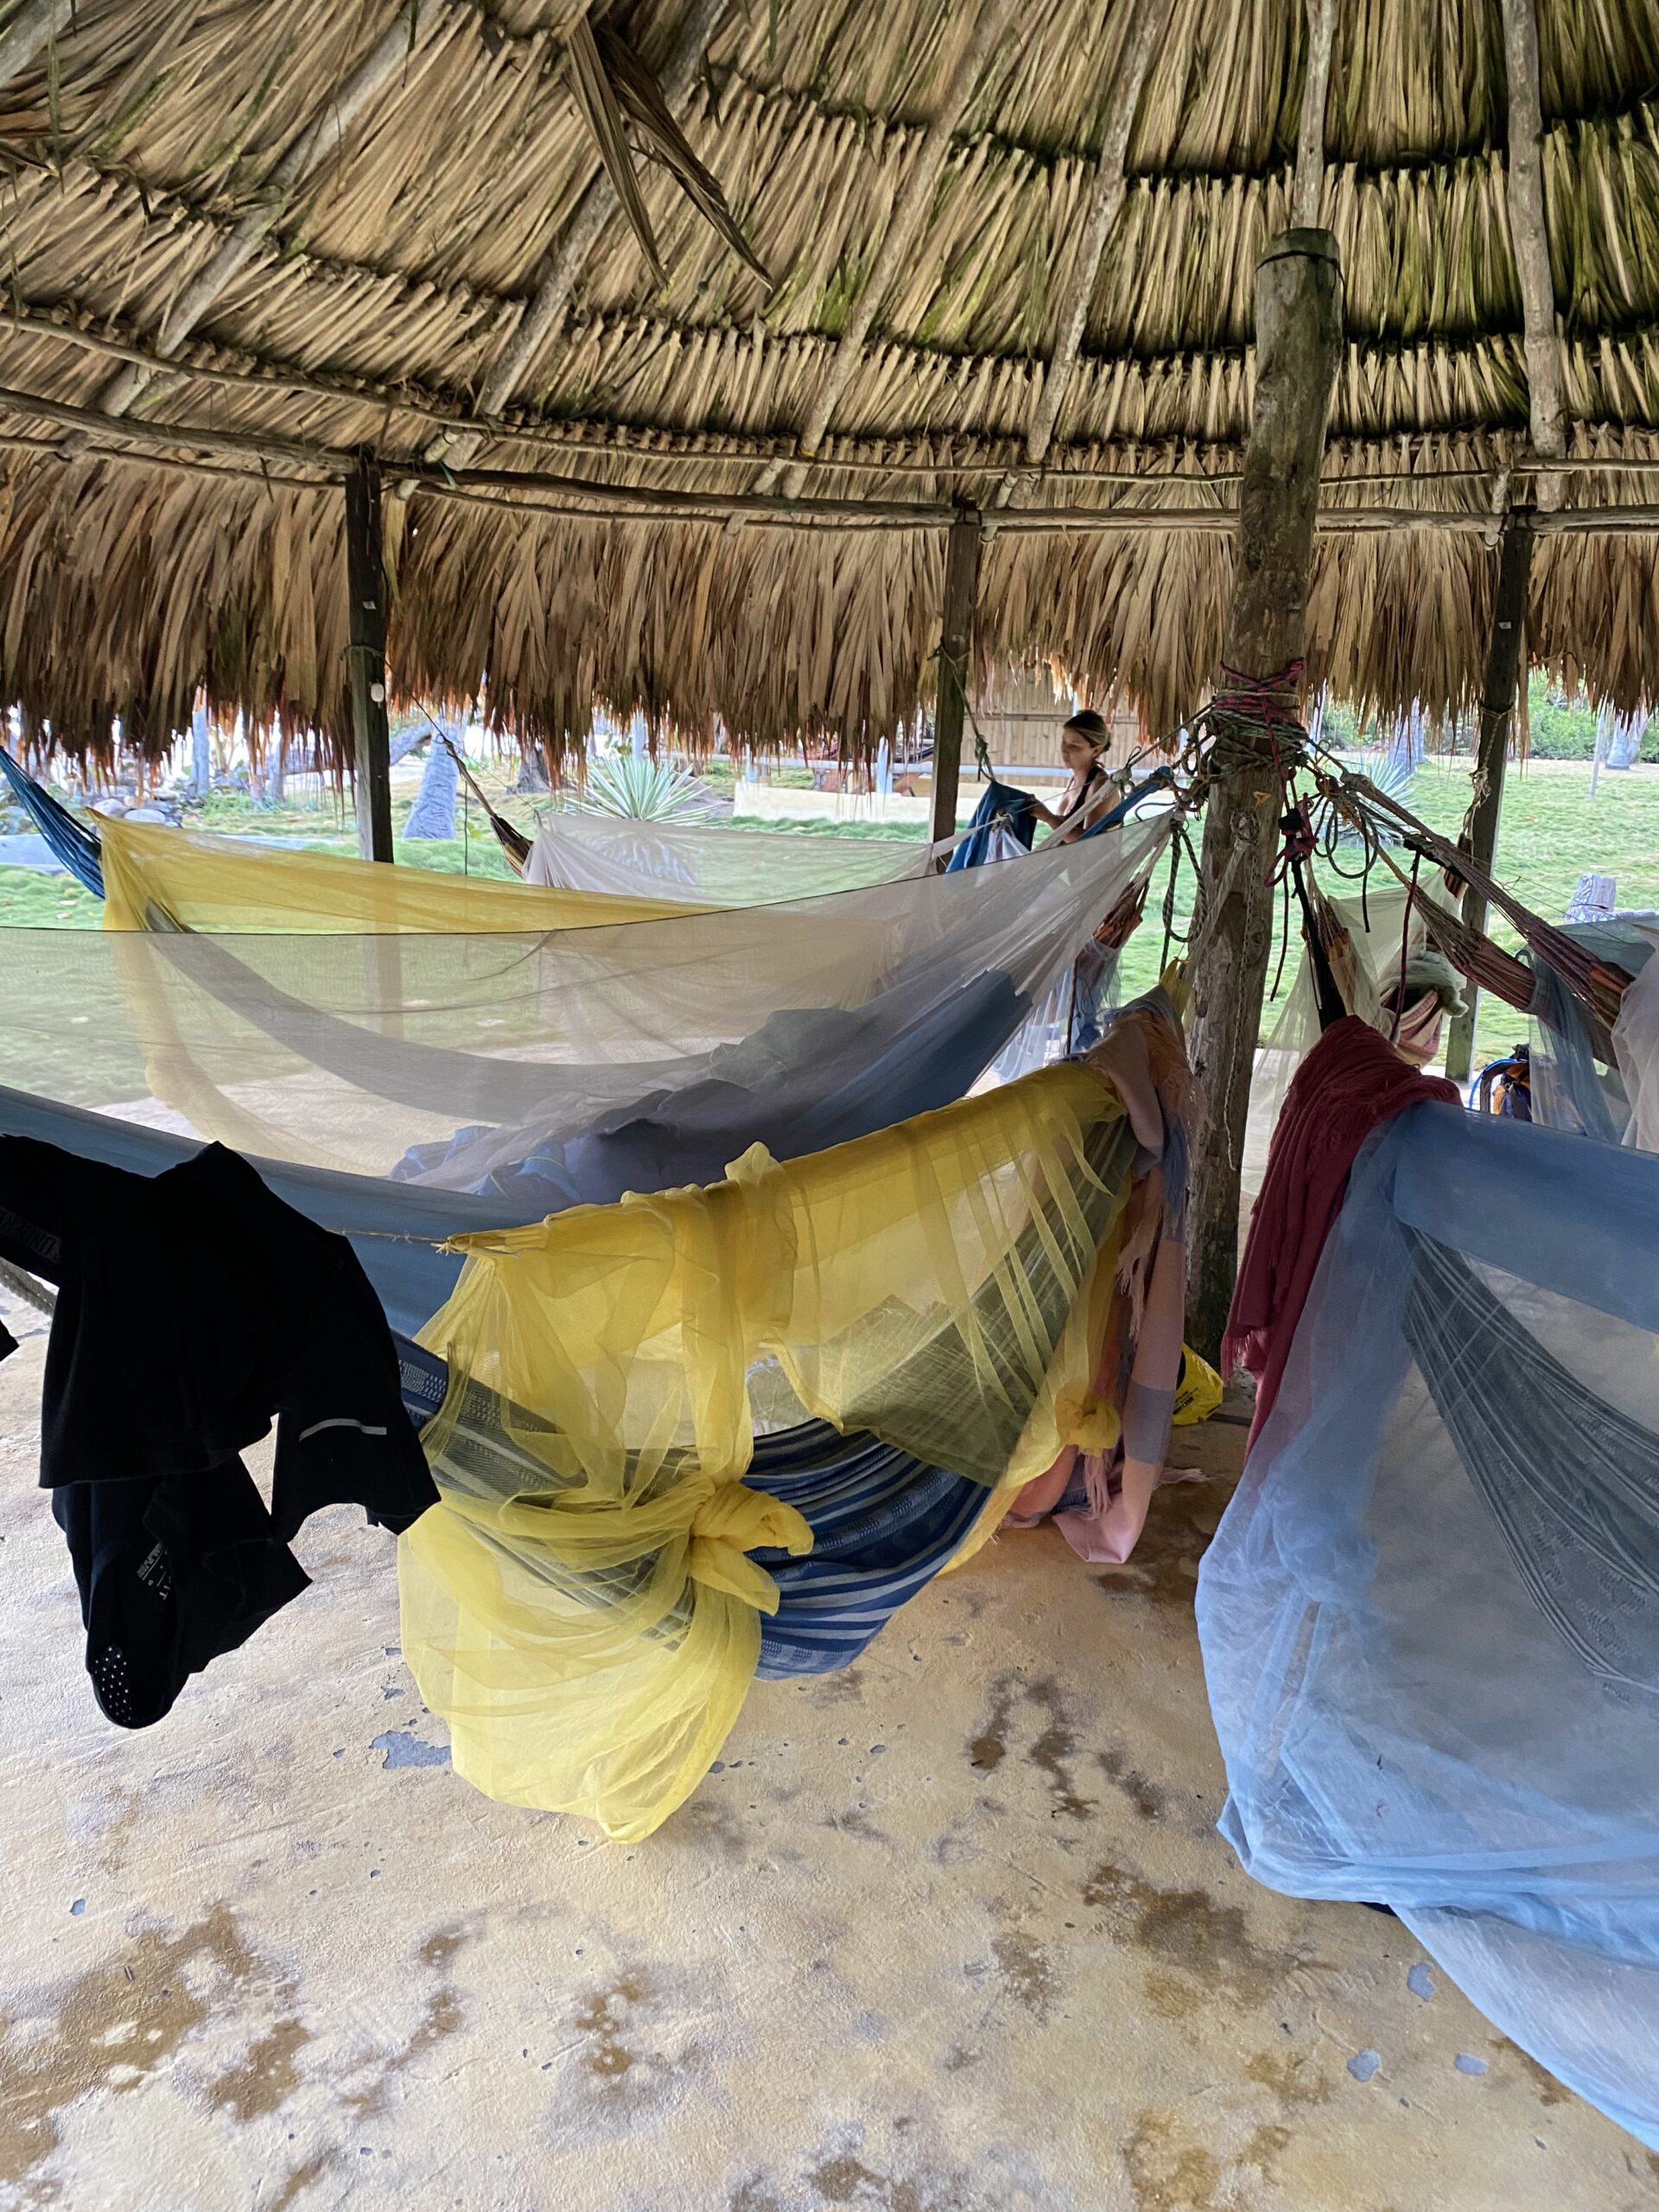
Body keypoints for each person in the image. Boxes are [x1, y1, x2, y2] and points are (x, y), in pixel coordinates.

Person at [1030, 709, 1116, 842]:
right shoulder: (1075, 780)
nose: (1065, 749)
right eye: (1064, 742)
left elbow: (1089, 842)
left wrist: (1049, 818)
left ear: (1096, 750)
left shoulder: (1101, 786)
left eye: (1074, 745)